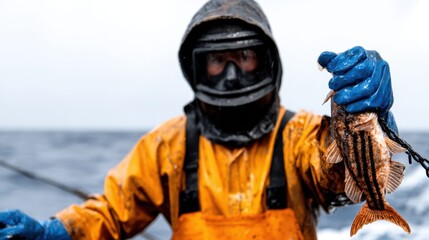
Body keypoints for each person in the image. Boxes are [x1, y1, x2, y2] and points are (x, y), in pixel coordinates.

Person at [0, 0, 399, 239]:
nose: (230, 75)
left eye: (243, 57)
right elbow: (109, 213)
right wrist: (58, 232)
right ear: (195, 68)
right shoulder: (166, 146)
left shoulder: (299, 136)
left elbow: (347, 178)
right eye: (216, 61)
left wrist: (374, 119)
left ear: (266, 62)